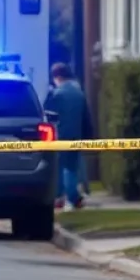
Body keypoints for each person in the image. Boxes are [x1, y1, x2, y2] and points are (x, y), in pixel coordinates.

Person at [45, 62, 94, 211]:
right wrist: (88, 136)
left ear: (57, 77)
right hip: (75, 135)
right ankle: (71, 197)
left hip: (59, 136)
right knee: (71, 168)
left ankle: (65, 197)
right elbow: (86, 117)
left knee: (59, 168)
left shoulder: (56, 94)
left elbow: (47, 112)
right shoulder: (79, 93)